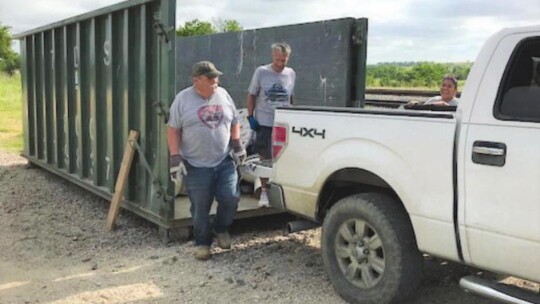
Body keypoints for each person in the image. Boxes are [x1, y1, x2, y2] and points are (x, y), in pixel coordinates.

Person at [167, 61, 246, 260]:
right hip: (196, 165)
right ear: (196, 81)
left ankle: (221, 228)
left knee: (231, 197)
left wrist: (237, 144)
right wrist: (175, 157)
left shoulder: (223, 94)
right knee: (200, 207)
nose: (215, 81)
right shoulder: (183, 99)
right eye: (210, 78)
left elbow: (235, 121)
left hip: (224, 161)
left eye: (216, 77)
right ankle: (202, 243)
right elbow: (173, 129)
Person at [246, 42, 296, 207]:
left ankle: (281, 190)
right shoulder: (261, 72)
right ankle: (264, 192)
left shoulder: (290, 74)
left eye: (283, 60)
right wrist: (250, 116)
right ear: (272, 57)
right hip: (265, 121)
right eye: (277, 60)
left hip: (283, 121)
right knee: (265, 157)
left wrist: (293, 115)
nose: (280, 64)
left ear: (288, 58)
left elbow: (291, 97)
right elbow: (252, 94)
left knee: (282, 156)